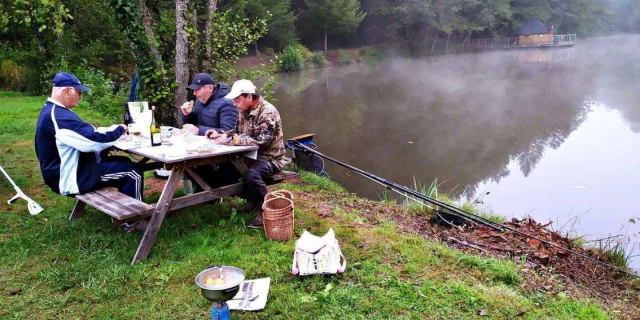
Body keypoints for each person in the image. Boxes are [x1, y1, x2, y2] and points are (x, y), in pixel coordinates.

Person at [35, 72, 143, 202]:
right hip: (71, 177)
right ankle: (134, 220)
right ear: (67, 91)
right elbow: (92, 141)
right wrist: (119, 130)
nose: (80, 97)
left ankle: (126, 207)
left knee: (124, 161)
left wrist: (111, 130)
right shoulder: (59, 116)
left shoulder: (51, 110)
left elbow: (86, 132)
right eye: (79, 92)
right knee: (133, 172)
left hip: (69, 169)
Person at [206, 79, 291, 228]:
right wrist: (219, 133)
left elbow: (262, 140)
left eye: (237, 100)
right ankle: (251, 200)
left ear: (249, 97)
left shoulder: (268, 111)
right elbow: (236, 132)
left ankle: (265, 209)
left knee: (251, 175)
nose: (235, 104)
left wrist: (231, 139)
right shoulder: (242, 111)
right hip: (247, 156)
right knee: (222, 173)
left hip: (270, 158)